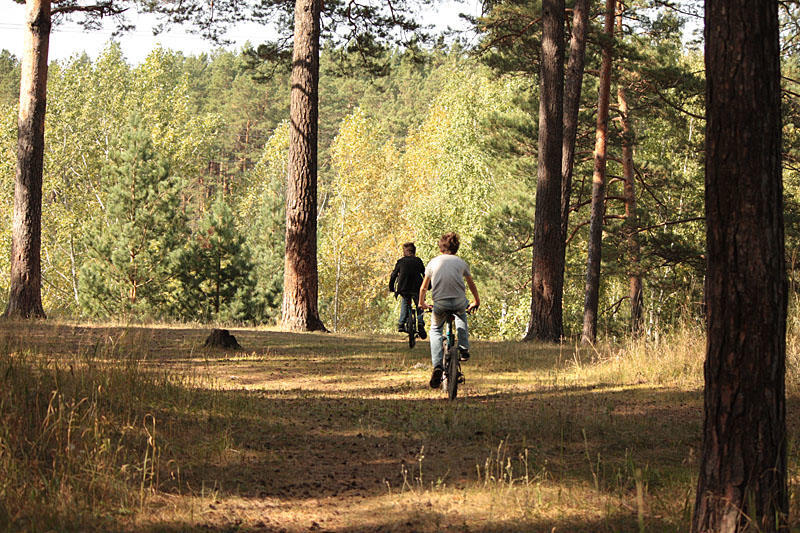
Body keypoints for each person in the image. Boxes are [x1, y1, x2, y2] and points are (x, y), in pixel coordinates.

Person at [418, 232, 480, 389]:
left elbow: (424, 287)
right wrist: (476, 300)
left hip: (440, 303)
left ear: (440, 249)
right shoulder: (461, 263)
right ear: (456, 249)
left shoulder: (433, 263)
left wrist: (421, 302)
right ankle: (464, 348)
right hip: (459, 302)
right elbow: (471, 284)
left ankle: (437, 365)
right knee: (461, 316)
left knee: (435, 330)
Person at [389, 242, 427, 339]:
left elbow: (393, 275)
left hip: (404, 288)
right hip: (417, 288)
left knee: (405, 302)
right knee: (420, 304)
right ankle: (420, 323)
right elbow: (425, 274)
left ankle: (401, 323)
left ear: (406, 252)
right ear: (414, 251)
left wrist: (391, 287)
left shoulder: (401, 261)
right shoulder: (418, 261)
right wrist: (429, 286)